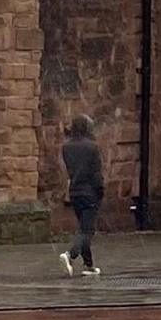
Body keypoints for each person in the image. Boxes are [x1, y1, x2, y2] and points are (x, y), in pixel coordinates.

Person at [59, 114, 105, 277]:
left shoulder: (66, 147)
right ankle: (70, 255)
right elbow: (96, 173)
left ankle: (89, 265)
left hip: (74, 191)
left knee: (83, 228)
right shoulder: (92, 147)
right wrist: (100, 191)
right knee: (87, 230)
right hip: (90, 192)